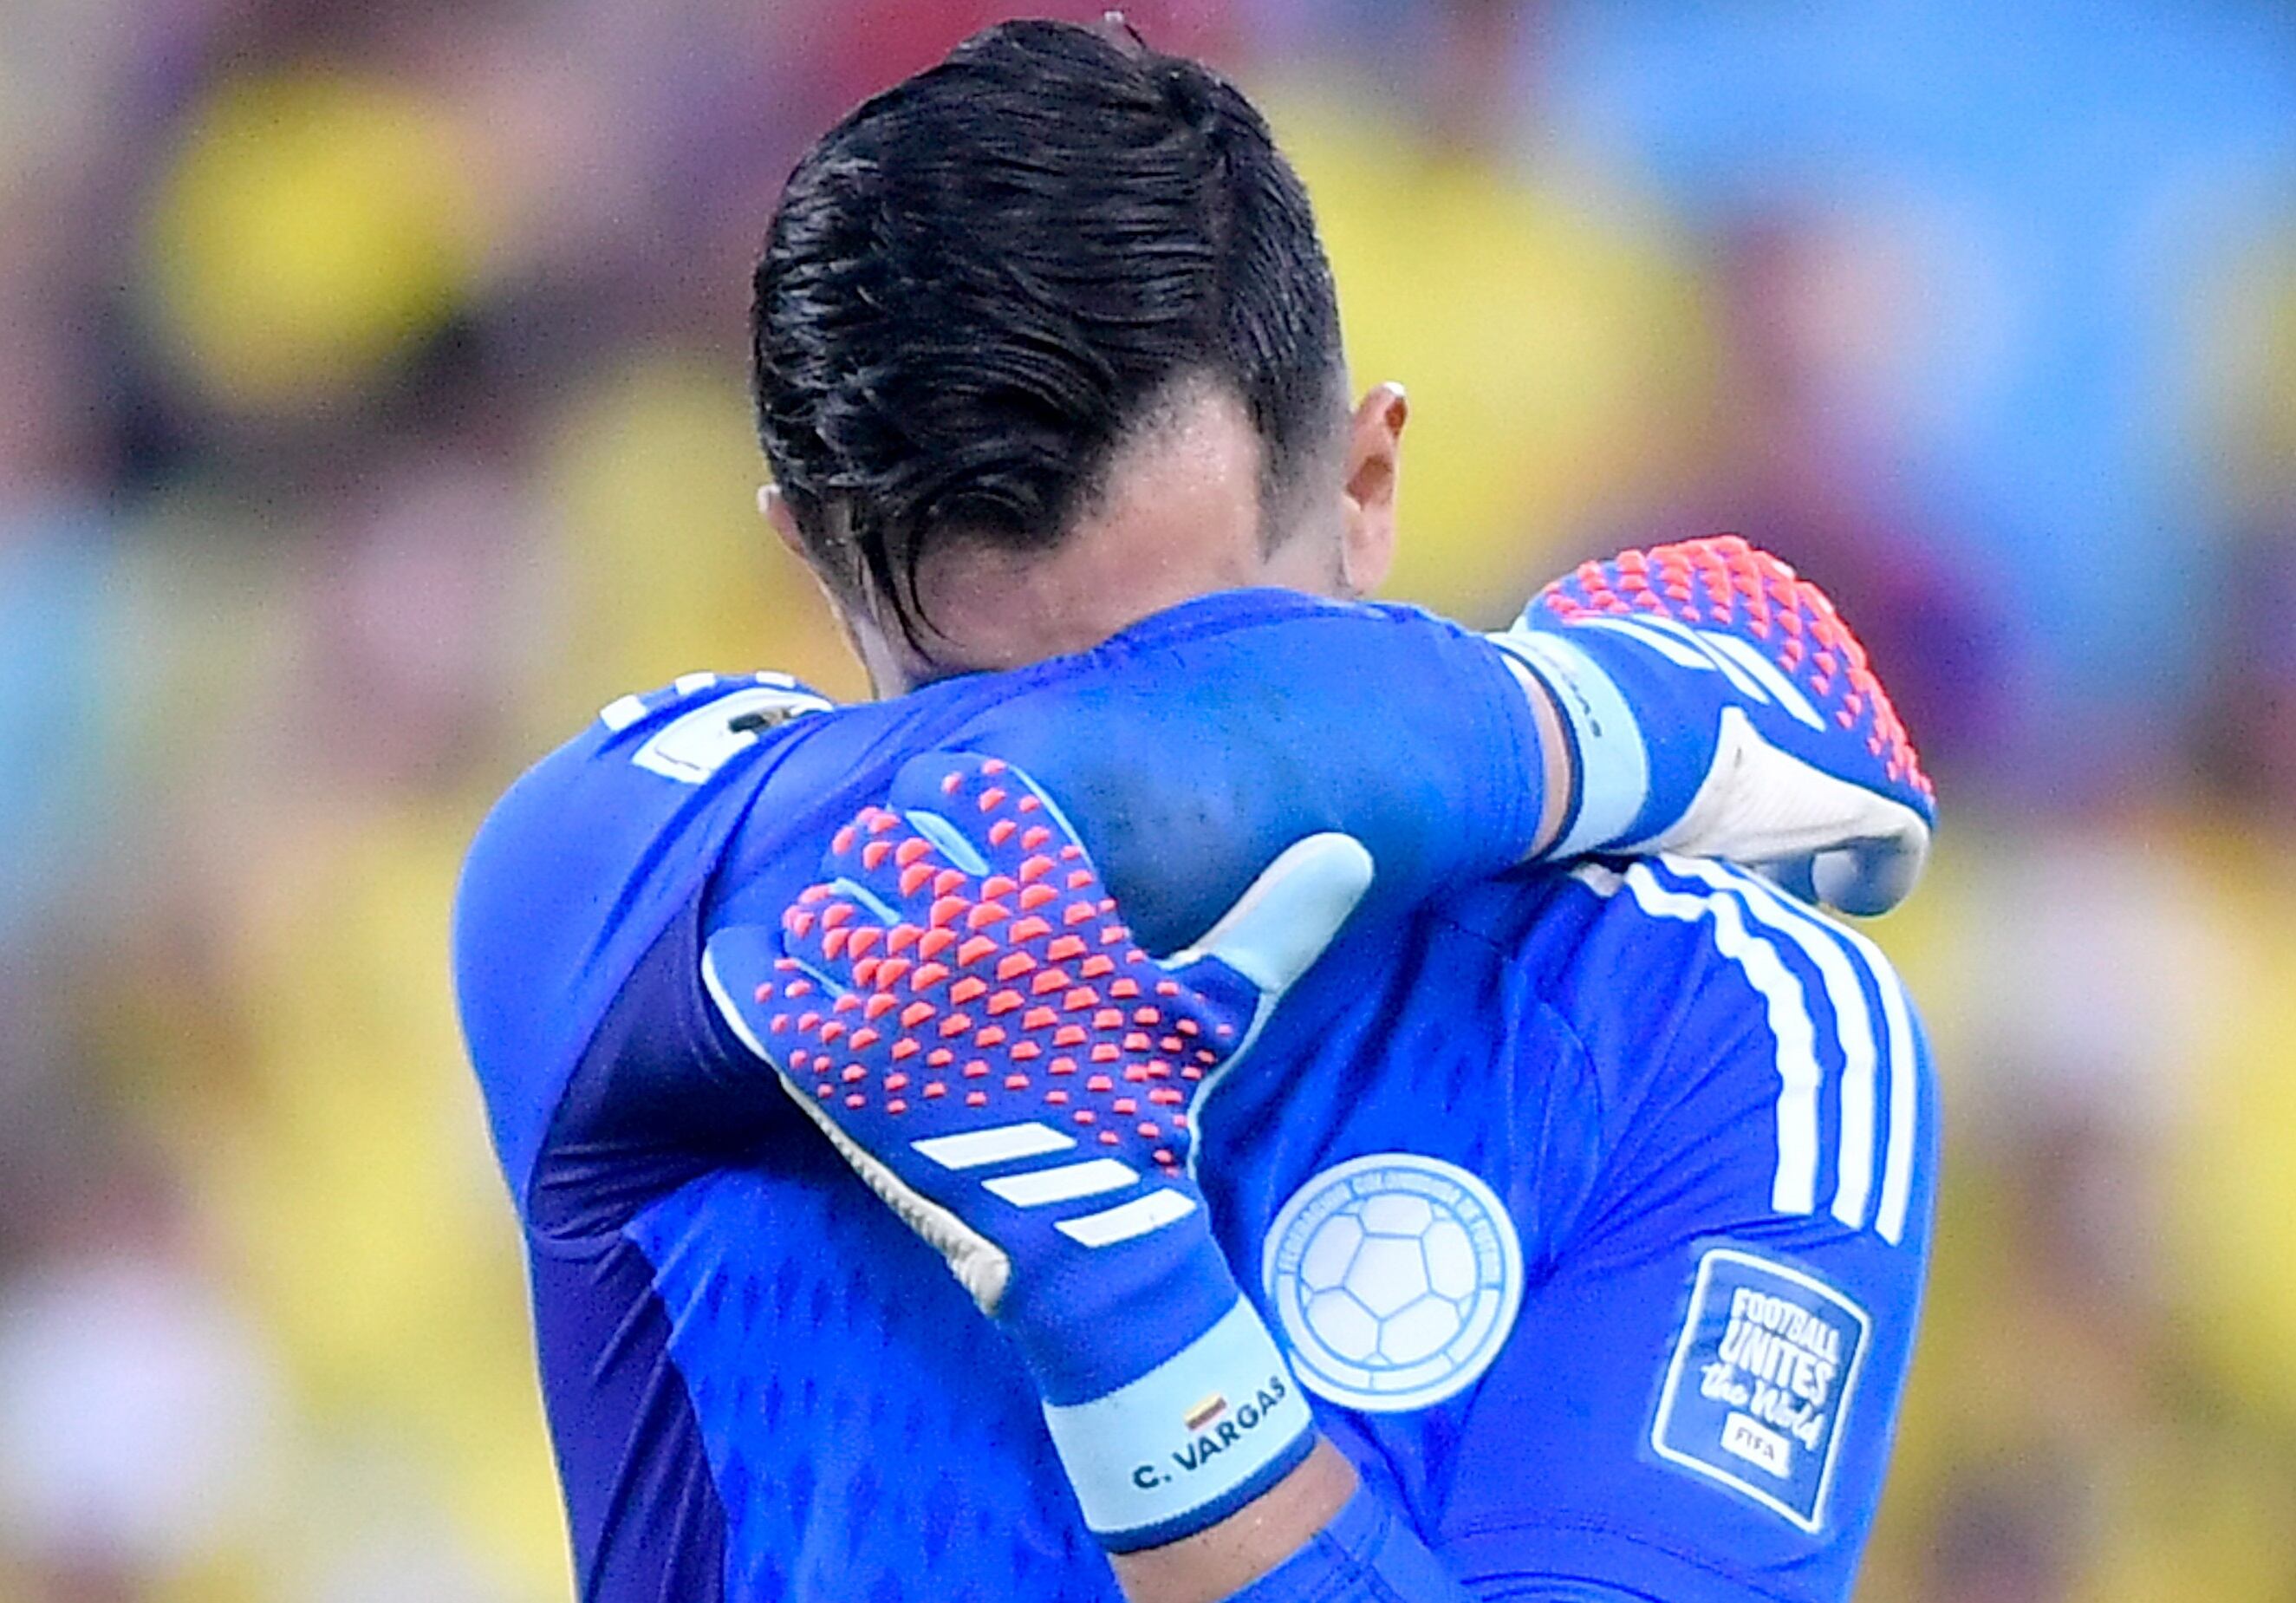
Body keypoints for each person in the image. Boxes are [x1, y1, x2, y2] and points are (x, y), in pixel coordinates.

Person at [453, 21, 1936, 1601]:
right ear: (812, 569)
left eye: (1210, 658)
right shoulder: (619, 879)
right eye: (974, 695)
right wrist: (1605, 711)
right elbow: (1103, 800)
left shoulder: (1712, 1017)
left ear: (1366, 487)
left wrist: (1122, 1309)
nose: (1095, 872)